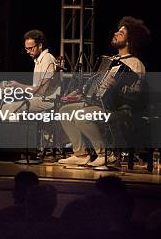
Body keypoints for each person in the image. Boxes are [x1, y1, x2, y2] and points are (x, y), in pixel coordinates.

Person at [58, 16, 149, 166]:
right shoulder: (111, 60)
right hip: (101, 104)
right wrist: (84, 92)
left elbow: (137, 95)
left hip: (121, 109)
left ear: (129, 40)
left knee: (82, 116)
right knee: (65, 110)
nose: (115, 34)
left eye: (121, 33)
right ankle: (80, 154)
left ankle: (105, 154)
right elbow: (95, 85)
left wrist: (118, 87)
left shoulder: (135, 63)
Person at [0, 29, 59, 116]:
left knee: (8, 109)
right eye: (26, 48)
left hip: (48, 101)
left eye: (31, 48)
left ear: (40, 45)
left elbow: (42, 90)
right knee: (5, 105)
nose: (27, 51)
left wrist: (18, 86)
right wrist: (14, 88)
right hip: (38, 99)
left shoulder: (47, 58)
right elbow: (36, 89)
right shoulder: (38, 60)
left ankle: (16, 129)